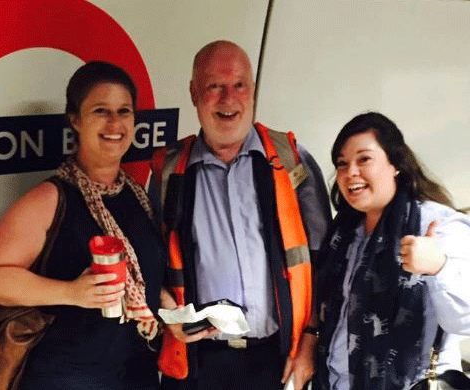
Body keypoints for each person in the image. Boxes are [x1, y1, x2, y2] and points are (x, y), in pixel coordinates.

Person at [150, 40, 331, 390]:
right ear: (193, 93)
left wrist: (311, 341)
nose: (227, 99)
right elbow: (152, 261)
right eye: (214, 86)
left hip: (276, 361)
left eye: (238, 85)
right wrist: (165, 309)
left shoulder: (291, 159)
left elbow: (325, 262)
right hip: (198, 364)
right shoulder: (168, 170)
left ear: (252, 90)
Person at [0, 61, 165, 390]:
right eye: (101, 111)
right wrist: (71, 292)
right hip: (67, 377)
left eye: (125, 111)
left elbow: (142, 275)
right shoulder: (50, 198)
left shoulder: (137, 194)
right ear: (75, 120)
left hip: (136, 372)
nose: (115, 123)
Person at [312, 112, 470, 389]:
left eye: (364, 159)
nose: (351, 173)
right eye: (342, 163)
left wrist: (439, 266)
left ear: (395, 163)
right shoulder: (343, 234)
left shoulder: (437, 225)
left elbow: (465, 322)